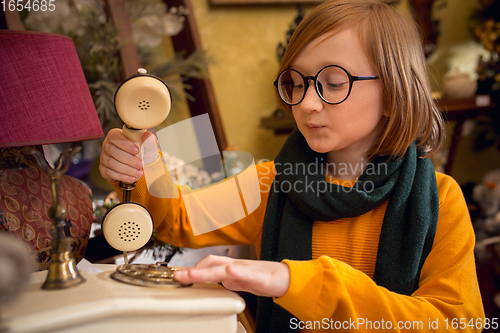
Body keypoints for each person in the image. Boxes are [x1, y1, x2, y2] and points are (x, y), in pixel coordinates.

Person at [100, 0, 485, 331]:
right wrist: (142, 163)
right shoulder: (271, 183)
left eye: (334, 83)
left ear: (394, 91)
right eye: (297, 83)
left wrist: (298, 282)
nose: (306, 103)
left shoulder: (441, 199)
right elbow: (178, 220)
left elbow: (455, 322)